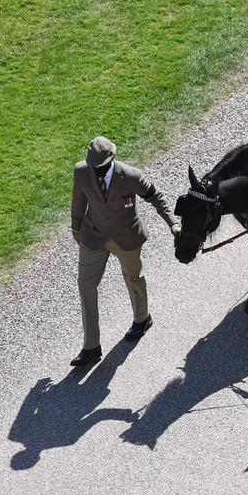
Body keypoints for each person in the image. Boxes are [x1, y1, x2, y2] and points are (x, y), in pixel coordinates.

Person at [69, 136, 180, 366]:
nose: (97, 172)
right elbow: (78, 202)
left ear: (113, 159)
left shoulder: (131, 176)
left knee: (133, 278)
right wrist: (76, 229)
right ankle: (91, 347)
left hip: (126, 237)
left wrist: (172, 222)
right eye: (94, 167)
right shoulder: (81, 172)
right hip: (94, 236)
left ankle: (142, 319)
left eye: (101, 168)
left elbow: (155, 196)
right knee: (85, 285)